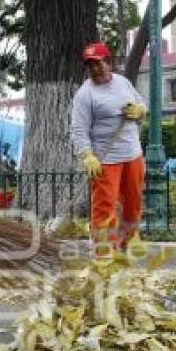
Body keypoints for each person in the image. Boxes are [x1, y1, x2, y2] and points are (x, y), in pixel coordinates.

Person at [70, 41, 147, 259]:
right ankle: (104, 251)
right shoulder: (85, 95)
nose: (95, 69)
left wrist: (139, 111)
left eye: (99, 63)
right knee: (105, 206)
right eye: (90, 65)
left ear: (108, 62)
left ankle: (128, 242)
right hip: (106, 160)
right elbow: (78, 128)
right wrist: (87, 155)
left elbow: (141, 104)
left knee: (133, 203)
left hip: (132, 154)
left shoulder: (123, 83)